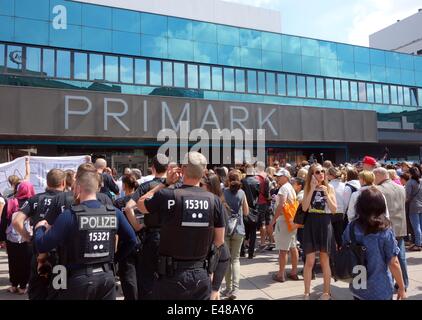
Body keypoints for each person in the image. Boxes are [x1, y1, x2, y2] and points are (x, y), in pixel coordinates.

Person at [34, 170, 137, 300]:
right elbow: (132, 240)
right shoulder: (114, 213)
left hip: (78, 280)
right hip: (106, 277)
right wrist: (114, 259)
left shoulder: (70, 215)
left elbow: (42, 245)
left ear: (78, 188)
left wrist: (40, 228)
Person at [137, 152, 225, 300]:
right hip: (200, 272)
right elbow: (219, 240)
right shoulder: (214, 201)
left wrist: (165, 183)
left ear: (182, 170)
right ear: (204, 172)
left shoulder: (167, 195)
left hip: (171, 274)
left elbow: (140, 204)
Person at [12, 169, 66, 300]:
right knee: (58, 292)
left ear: (47, 182)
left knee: (37, 293)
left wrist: (29, 238)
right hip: (60, 256)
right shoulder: (67, 200)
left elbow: (16, 221)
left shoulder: (35, 199)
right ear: (63, 183)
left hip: (39, 254)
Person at [344, 187, 406, 300]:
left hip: (358, 285)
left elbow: (344, 247)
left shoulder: (351, 227)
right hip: (380, 287)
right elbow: (394, 262)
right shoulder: (385, 230)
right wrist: (401, 287)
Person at [124, 154, 168, 300]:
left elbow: (128, 207)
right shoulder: (176, 186)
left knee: (147, 278)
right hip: (173, 237)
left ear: (153, 168)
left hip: (152, 237)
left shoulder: (146, 186)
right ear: (168, 168)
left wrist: (138, 226)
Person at [301, 164, 337, 300]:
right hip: (311, 223)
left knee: (324, 260)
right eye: (317, 172)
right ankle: (306, 292)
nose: (321, 174)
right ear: (312, 174)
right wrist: (311, 189)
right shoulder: (308, 187)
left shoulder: (330, 187)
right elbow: (304, 208)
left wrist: (326, 194)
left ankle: (326, 292)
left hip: (325, 223)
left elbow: (334, 209)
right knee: (309, 261)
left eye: (323, 171)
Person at [374, 167, 409, 290]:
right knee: (401, 257)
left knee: (389, 258)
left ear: (379, 175)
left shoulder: (378, 189)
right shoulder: (401, 188)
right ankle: (404, 283)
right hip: (400, 226)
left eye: (375, 176)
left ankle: (393, 282)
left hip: (387, 227)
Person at [199, 173, 230, 300]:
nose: (198, 187)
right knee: (213, 293)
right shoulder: (216, 203)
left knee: (212, 293)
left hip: (217, 255)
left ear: (208, 186)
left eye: (201, 185)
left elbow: (219, 240)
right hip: (217, 254)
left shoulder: (216, 206)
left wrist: (211, 267)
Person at [0, 181, 35, 294]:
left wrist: (2, 239)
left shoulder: (11, 202)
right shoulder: (33, 203)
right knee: (26, 262)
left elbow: (4, 222)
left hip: (11, 239)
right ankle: (23, 287)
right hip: (27, 238)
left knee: (13, 261)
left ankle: (14, 285)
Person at [113, 174, 142, 300]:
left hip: (126, 243)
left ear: (124, 186)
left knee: (128, 278)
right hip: (142, 242)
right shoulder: (141, 201)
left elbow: (116, 228)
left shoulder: (120, 202)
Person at [269, 169, 300, 282]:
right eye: (277, 176)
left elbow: (281, 205)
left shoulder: (283, 188)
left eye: (279, 176)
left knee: (283, 249)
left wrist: (273, 221)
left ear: (286, 177)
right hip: (291, 220)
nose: (277, 178)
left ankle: (281, 275)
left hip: (284, 220)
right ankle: (293, 272)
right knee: (292, 247)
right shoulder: (290, 187)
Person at [222, 171, 248, 300]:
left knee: (226, 260)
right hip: (239, 228)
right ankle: (235, 289)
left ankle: (227, 288)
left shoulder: (223, 192)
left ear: (228, 179)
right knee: (236, 259)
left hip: (226, 229)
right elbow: (246, 212)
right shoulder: (242, 193)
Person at [240, 164, 260, 259]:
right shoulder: (257, 181)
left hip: (244, 208)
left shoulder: (242, 181)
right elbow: (259, 195)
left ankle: (242, 251)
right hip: (254, 208)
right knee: (253, 233)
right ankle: (251, 253)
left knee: (243, 231)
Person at [327, 167, 345, 248]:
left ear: (331, 176)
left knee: (330, 237)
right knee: (340, 236)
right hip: (341, 213)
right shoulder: (344, 185)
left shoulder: (329, 186)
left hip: (331, 212)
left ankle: (332, 256)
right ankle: (341, 254)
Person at [255, 162, 271, 251]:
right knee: (267, 222)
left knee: (261, 223)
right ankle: (270, 241)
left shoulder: (256, 178)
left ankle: (262, 243)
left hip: (259, 202)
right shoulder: (267, 177)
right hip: (266, 202)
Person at [405, 167, 422, 251]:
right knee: (420, 226)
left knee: (416, 227)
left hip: (413, 207)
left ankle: (418, 244)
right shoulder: (421, 181)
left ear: (410, 173)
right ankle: (419, 242)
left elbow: (407, 196)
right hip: (421, 205)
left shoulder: (410, 182)